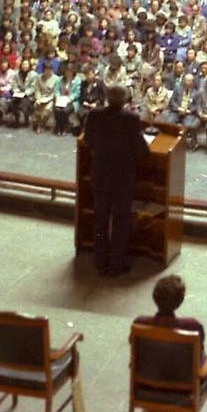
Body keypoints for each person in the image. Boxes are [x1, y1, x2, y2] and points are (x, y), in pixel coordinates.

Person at [81, 85, 149, 275]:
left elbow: (88, 140)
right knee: (120, 220)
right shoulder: (131, 119)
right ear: (125, 100)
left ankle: (100, 261)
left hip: (100, 174)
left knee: (100, 219)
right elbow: (141, 150)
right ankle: (117, 263)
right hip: (122, 178)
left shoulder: (95, 115)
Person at [134, 274, 206, 346]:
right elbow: (200, 349)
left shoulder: (140, 323)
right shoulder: (193, 326)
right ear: (180, 302)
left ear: (154, 297)